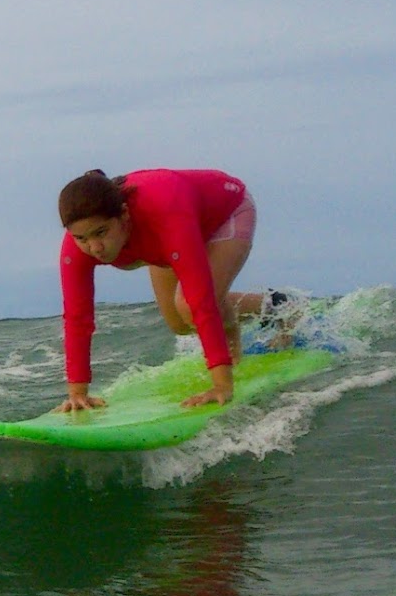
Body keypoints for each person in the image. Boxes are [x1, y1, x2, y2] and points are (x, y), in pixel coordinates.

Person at [56, 167, 275, 413]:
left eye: (101, 233)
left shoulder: (165, 213)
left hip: (226, 211)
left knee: (192, 305)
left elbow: (200, 301)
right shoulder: (77, 246)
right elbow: (78, 318)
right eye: (81, 238)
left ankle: (254, 324)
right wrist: (78, 394)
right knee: (179, 324)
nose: (94, 247)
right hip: (171, 233)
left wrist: (221, 386)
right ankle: (268, 306)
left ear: (124, 215)